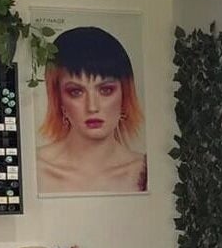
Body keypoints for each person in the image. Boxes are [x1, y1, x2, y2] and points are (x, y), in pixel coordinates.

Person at [37, 26, 147, 194]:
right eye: (76, 92)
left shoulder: (142, 170)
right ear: (58, 99)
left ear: (125, 94)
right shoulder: (35, 168)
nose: (92, 107)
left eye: (106, 90)